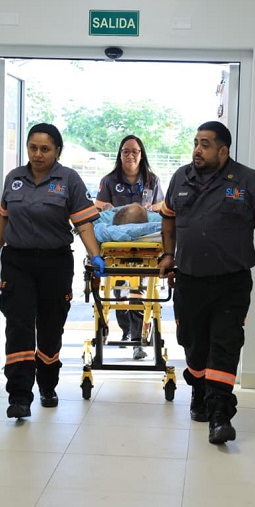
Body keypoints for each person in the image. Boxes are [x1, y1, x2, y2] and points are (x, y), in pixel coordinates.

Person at [158, 121, 255, 444]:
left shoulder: (248, 181)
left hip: (231, 283)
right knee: (193, 344)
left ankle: (220, 415)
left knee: (225, 346)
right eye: (196, 143)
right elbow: (168, 216)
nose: (197, 150)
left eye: (206, 144)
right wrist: (167, 255)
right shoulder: (179, 179)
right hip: (189, 280)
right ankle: (199, 391)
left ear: (223, 151)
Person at [0, 123, 106, 419]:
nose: (37, 154)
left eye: (45, 149)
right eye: (33, 148)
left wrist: (95, 255)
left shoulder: (69, 180)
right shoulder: (14, 178)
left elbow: (83, 223)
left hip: (55, 262)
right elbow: (3, 216)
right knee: (19, 326)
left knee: (51, 327)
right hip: (18, 262)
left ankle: (48, 384)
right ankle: (19, 395)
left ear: (57, 151)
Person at [94, 135, 164, 358]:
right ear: (120, 154)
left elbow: (162, 206)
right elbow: (100, 210)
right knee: (119, 288)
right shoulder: (109, 181)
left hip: (144, 242)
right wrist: (106, 206)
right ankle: (127, 332)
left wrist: (149, 208)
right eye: (126, 151)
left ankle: (136, 338)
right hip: (117, 242)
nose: (130, 155)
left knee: (138, 290)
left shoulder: (152, 180)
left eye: (135, 151)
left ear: (141, 154)